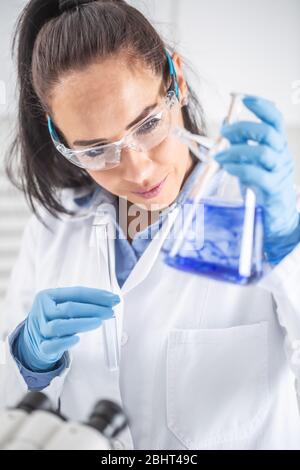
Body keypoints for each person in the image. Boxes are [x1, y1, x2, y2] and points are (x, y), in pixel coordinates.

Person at [1, 0, 300, 450]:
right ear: (60, 139)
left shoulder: (263, 205)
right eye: (96, 150)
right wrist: (28, 359)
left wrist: (288, 249)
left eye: (148, 124)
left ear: (174, 79)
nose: (138, 170)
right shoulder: (54, 223)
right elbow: (13, 409)